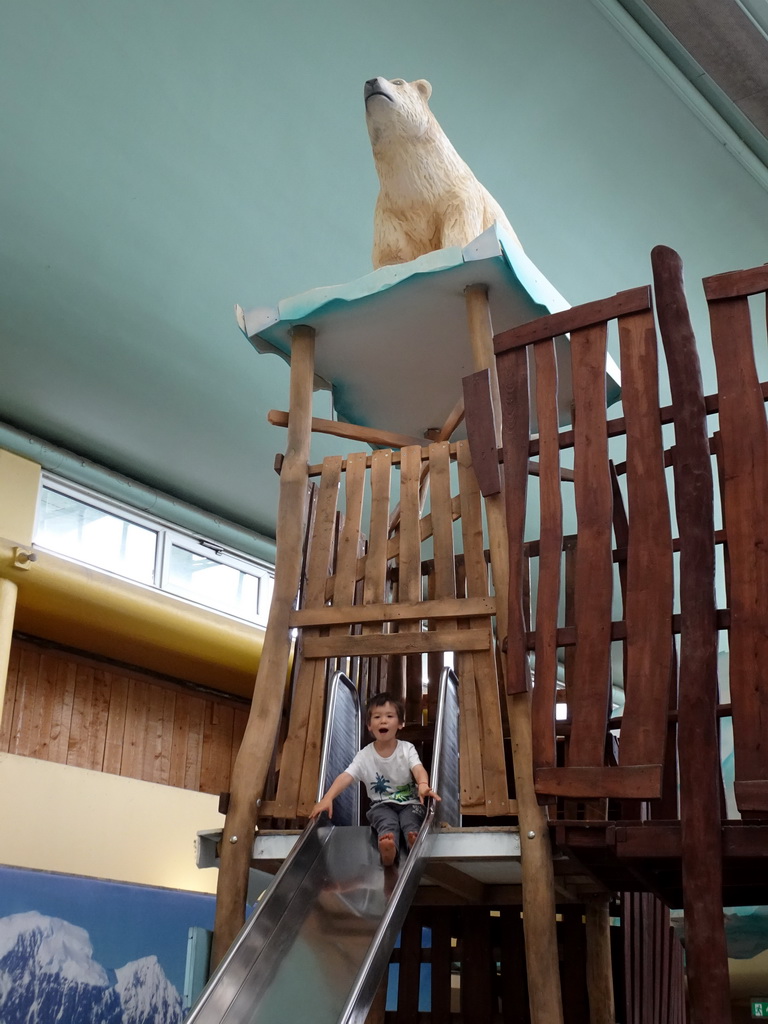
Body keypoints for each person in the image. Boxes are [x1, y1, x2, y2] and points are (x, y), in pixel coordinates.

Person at [310, 691, 440, 866]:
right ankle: (388, 848)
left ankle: (413, 841)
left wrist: (423, 784)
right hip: (381, 805)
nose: (383, 721)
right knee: (386, 822)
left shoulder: (406, 749)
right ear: (369, 725)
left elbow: (418, 769)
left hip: (410, 803)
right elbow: (346, 777)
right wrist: (328, 797)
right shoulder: (364, 755)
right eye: (377, 717)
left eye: (389, 716)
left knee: (411, 819)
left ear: (400, 723)